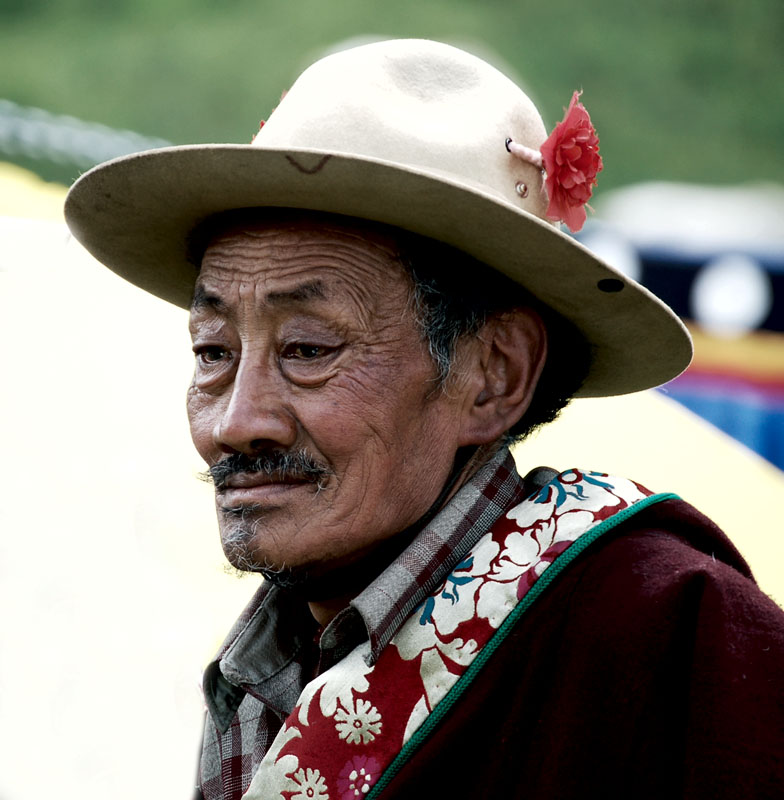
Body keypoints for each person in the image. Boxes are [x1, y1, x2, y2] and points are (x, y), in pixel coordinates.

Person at [64, 38, 784, 800]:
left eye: (308, 348)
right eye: (213, 352)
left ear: (494, 375)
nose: (234, 425)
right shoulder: (271, 666)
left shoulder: (668, 632)